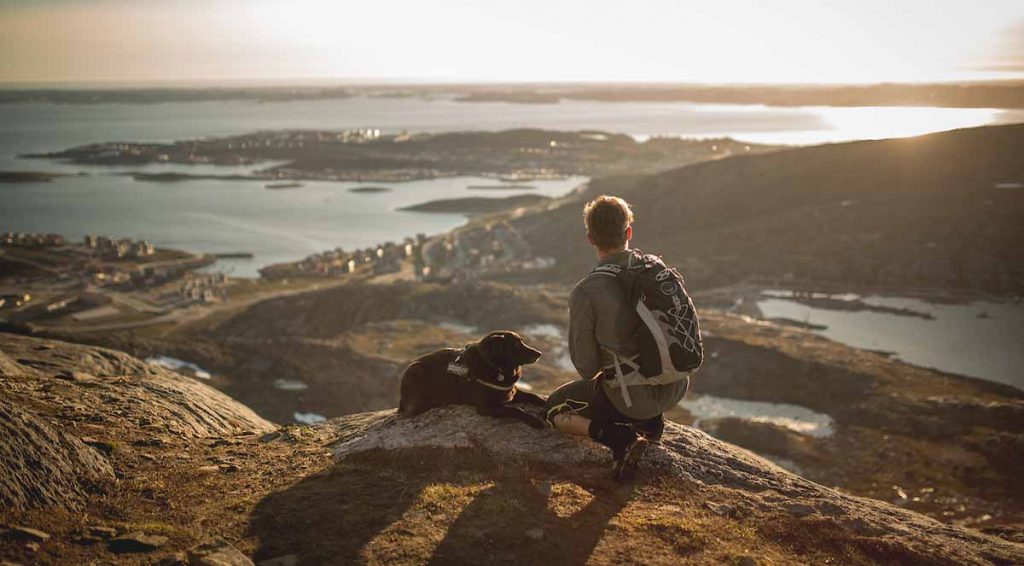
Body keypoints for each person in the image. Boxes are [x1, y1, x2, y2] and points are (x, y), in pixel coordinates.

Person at [544, 195, 692, 482]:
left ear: (590, 238)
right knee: (632, 385)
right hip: (675, 386)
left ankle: (618, 438)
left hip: (631, 399)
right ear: (628, 232)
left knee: (554, 407)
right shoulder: (656, 272)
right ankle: (650, 421)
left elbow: (587, 368)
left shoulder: (587, 291)